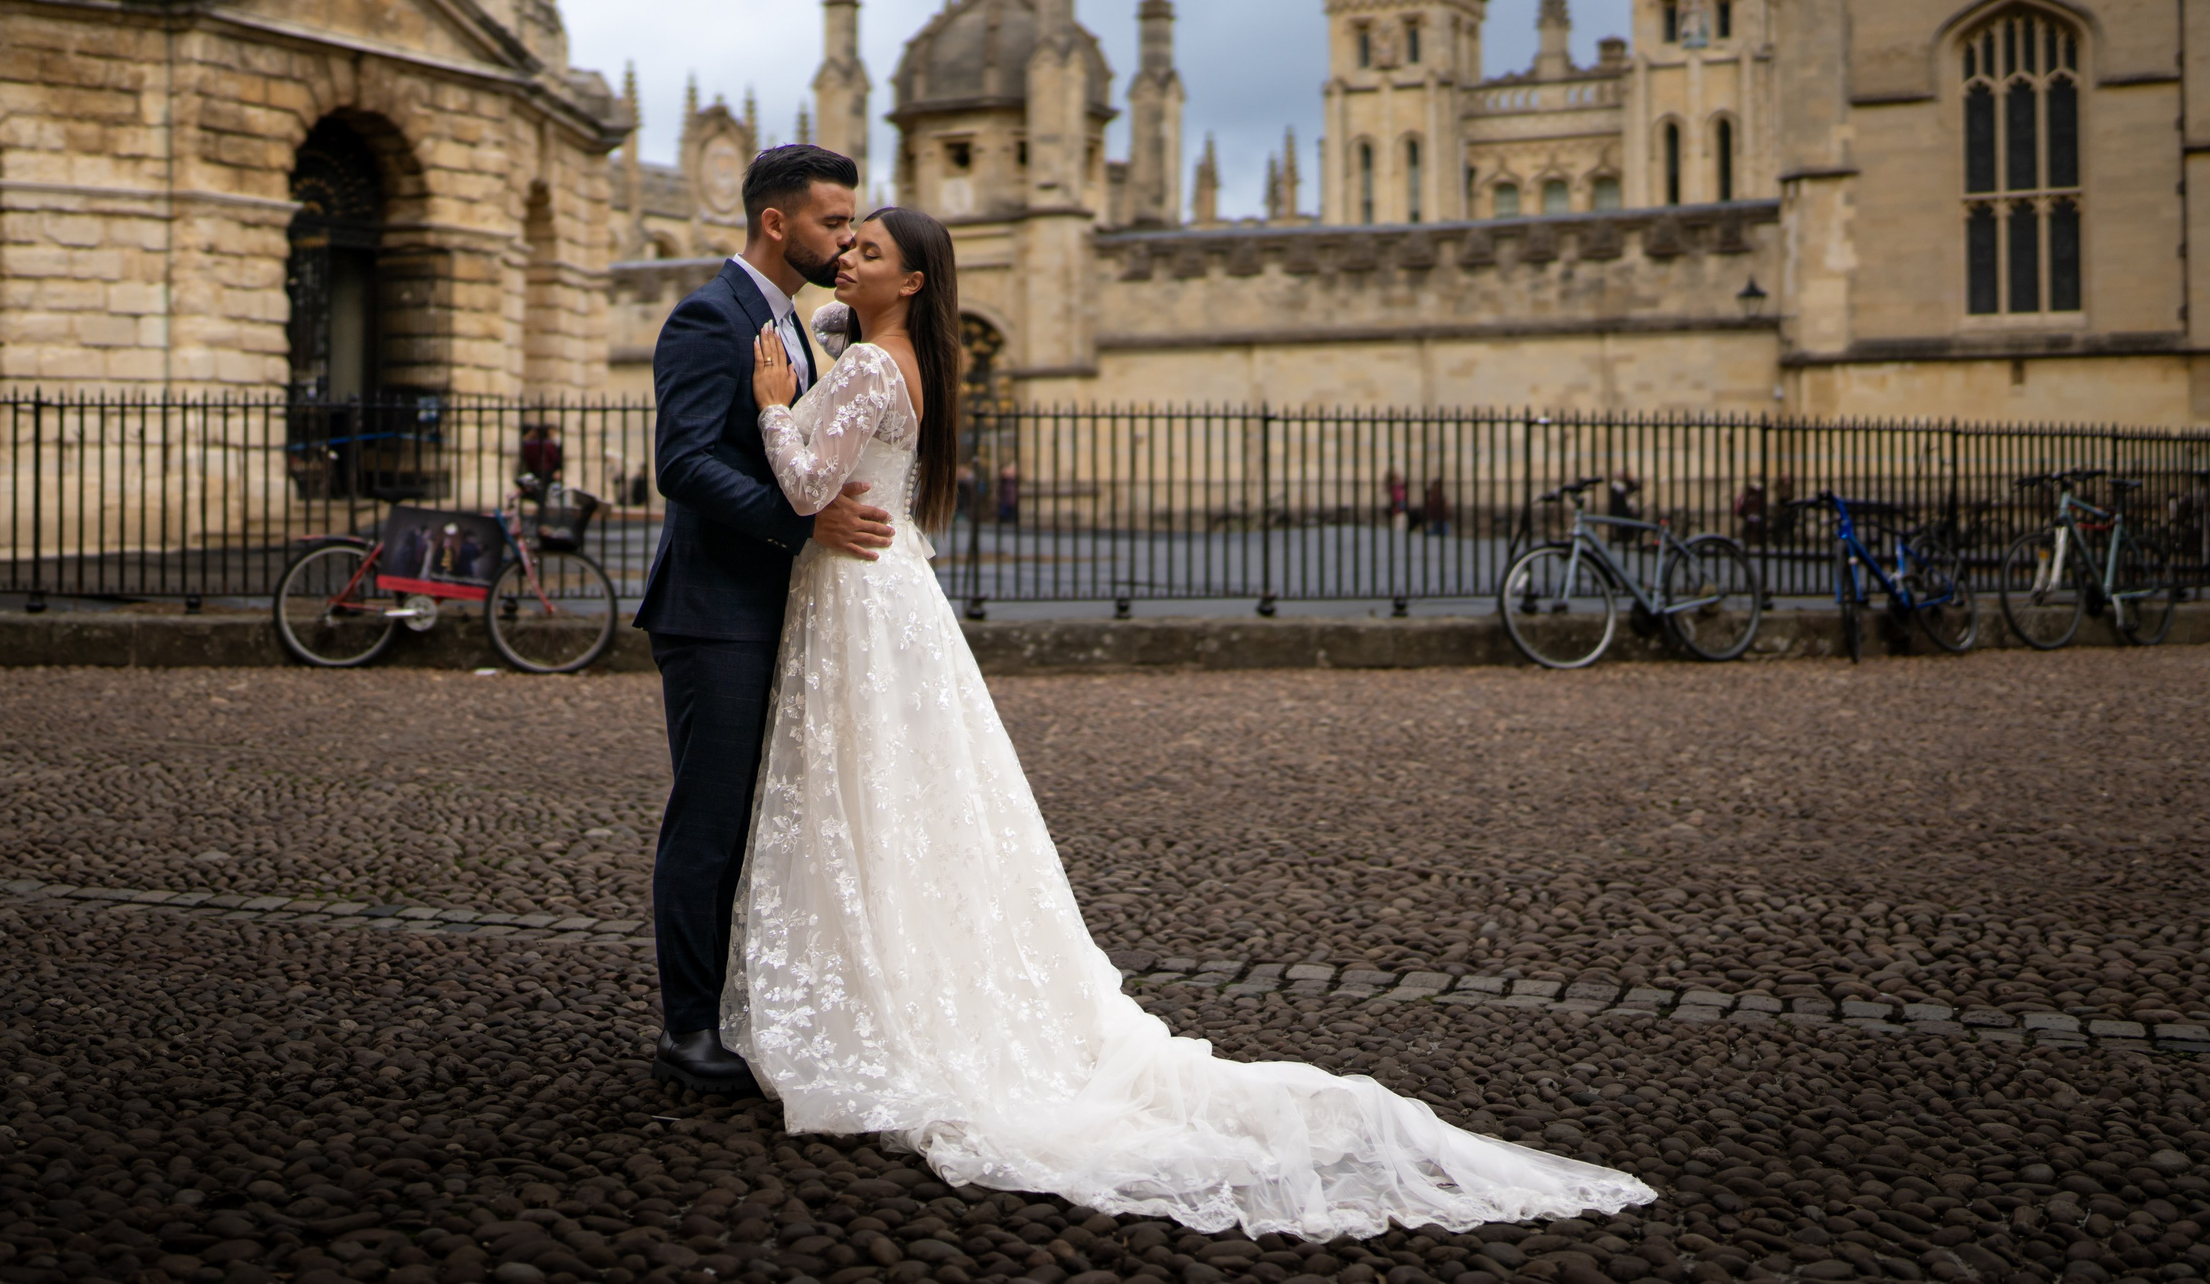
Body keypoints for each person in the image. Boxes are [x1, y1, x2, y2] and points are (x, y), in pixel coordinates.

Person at [733, 206, 1653, 1240]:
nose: (841, 256)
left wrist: (777, 403)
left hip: (855, 591)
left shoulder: (864, 369)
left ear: (907, 280)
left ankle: (879, 992)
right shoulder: (913, 361)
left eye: (865, 250)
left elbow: (811, 481)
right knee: (912, 800)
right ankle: (911, 977)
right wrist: (820, 355)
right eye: (843, 241)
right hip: (898, 590)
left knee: (863, 794)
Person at [633, 144, 896, 1097]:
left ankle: (744, 1009)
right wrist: (805, 519)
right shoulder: (711, 316)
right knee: (707, 823)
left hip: (771, 607)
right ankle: (689, 1028)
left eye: (854, 224)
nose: (848, 238)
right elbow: (683, 462)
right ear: (776, 223)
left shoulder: (795, 322)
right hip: (714, 614)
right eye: (834, 223)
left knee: (760, 821)